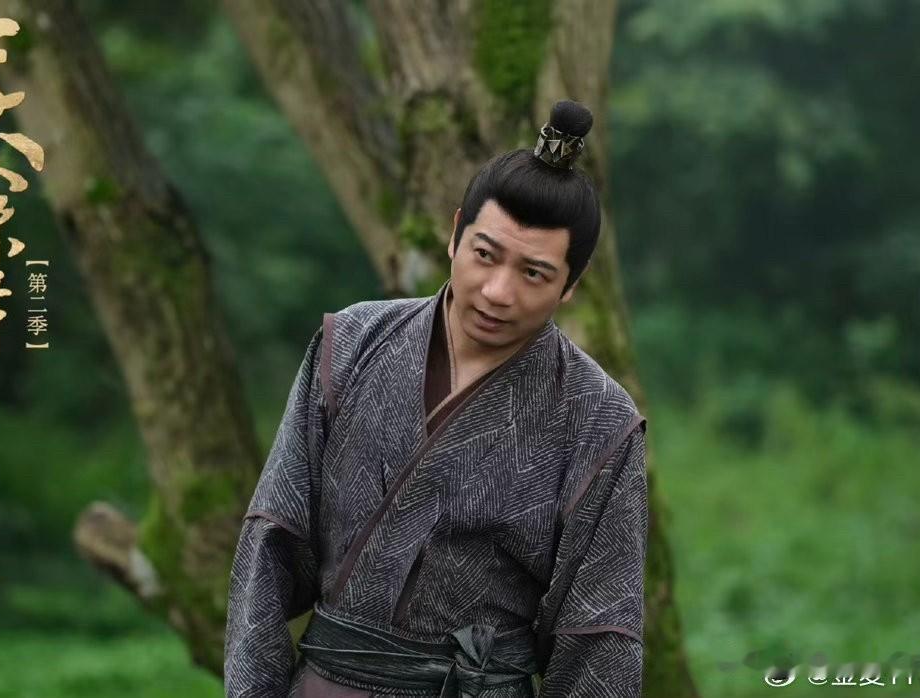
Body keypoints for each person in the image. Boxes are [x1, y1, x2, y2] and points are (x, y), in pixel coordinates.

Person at [224, 99, 649, 698]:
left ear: (571, 284)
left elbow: (599, 637)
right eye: (485, 254)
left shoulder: (599, 419)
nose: (497, 291)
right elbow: (270, 545)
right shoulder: (352, 344)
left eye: (533, 273)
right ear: (454, 234)